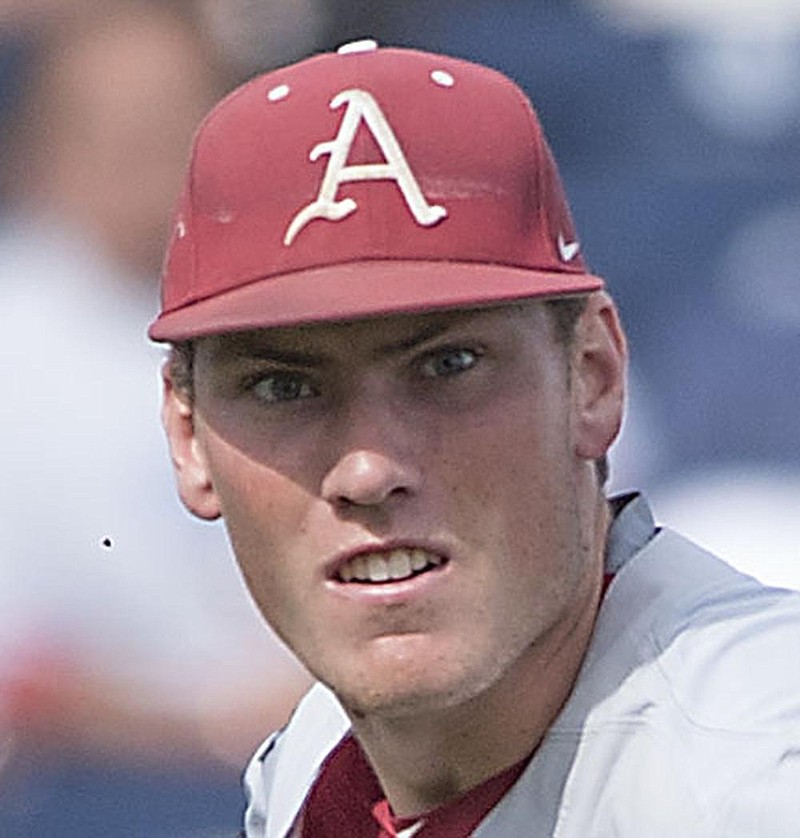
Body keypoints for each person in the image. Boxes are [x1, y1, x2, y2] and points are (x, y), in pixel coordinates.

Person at [149, 40, 800, 836]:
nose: (366, 468)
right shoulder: (319, 761)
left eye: (448, 365)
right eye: (285, 386)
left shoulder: (755, 779)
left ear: (592, 376)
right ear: (189, 438)